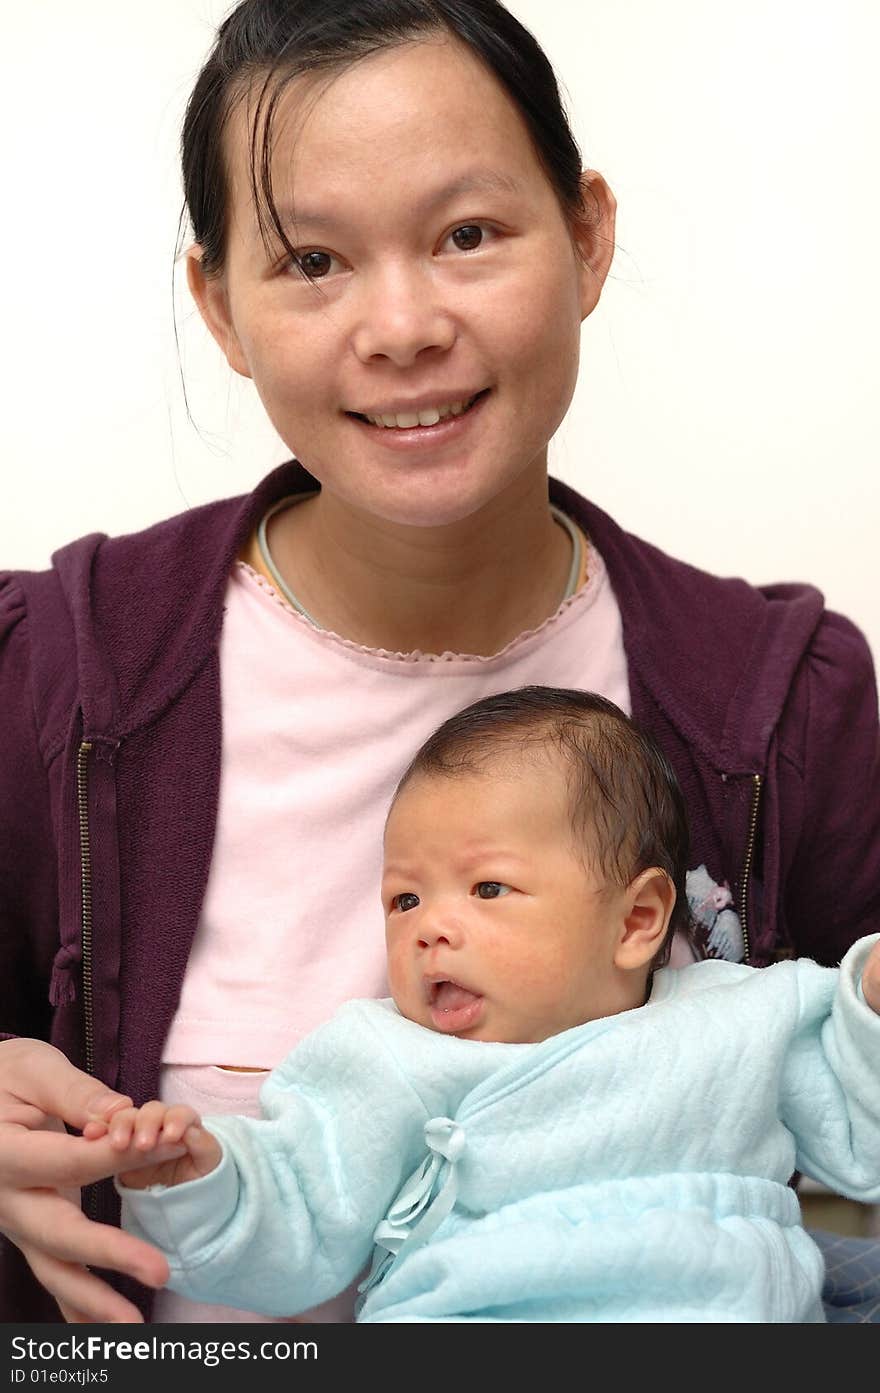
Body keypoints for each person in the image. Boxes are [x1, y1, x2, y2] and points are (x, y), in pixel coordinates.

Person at [1, 0, 878, 1326]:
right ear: (220, 306)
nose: (402, 324)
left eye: (468, 235)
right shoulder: (53, 670)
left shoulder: (781, 701)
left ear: (587, 238)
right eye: (311, 262)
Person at [80, 688, 880, 1324]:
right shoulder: (387, 1053)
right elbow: (297, 1211)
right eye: (403, 898)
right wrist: (201, 1176)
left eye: (488, 887)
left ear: (637, 920)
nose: (430, 927)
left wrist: (870, 1001)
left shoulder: (742, 1017)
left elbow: (857, 1120)